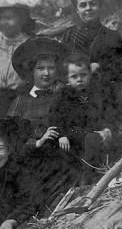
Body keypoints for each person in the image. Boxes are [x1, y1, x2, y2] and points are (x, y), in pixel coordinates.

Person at [7, 37, 79, 214]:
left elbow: (79, 123)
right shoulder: (20, 102)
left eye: (50, 68)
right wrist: (36, 142)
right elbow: (11, 136)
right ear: (31, 71)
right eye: (40, 68)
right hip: (31, 161)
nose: (46, 73)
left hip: (63, 159)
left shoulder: (65, 93)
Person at [59, 0, 122, 126]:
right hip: (74, 98)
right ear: (77, 10)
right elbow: (60, 69)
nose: (88, 8)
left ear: (100, 5)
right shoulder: (69, 35)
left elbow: (121, 72)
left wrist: (100, 67)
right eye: (83, 5)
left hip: (103, 97)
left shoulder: (112, 36)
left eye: (93, 4)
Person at [48, 53, 115, 181]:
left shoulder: (96, 91)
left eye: (83, 75)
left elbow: (106, 111)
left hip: (95, 132)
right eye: (74, 76)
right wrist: (61, 135)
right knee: (68, 150)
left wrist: (107, 128)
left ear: (89, 75)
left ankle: (94, 172)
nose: (79, 79)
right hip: (72, 135)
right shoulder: (63, 94)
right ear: (67, 79)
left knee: (95, 139)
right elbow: (54, 116)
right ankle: (84, 177)